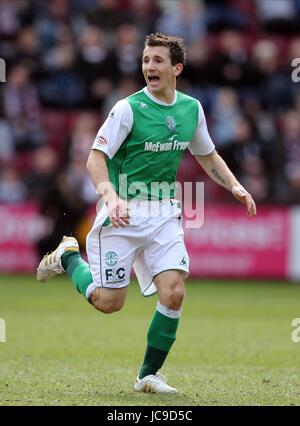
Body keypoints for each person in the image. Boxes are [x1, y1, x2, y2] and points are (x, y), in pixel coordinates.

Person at [37, 33, 256, 394]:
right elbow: (95, 158)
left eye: (157, 60)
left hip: (164, 213)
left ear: (176, 68)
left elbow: (207, 154)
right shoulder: (127, 108)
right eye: (145, 60)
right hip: (122, 214)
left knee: (174, 292)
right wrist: (110, 196)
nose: (149, 67)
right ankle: (69, 256)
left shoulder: (191, 109)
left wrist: (234, 185)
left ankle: (148, 375)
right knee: (109, 303)